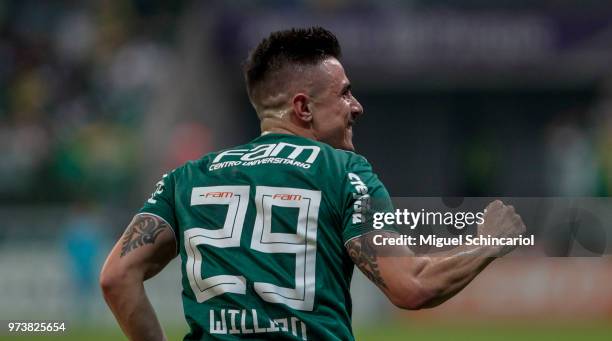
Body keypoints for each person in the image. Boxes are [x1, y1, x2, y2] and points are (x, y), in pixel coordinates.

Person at [100, 27, 525, 341]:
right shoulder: (343, 171)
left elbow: (116, 278)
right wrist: (487, 241)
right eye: (344, 93)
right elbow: (411, 286)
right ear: (303, 107)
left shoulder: (187, 178)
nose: (355, 107)